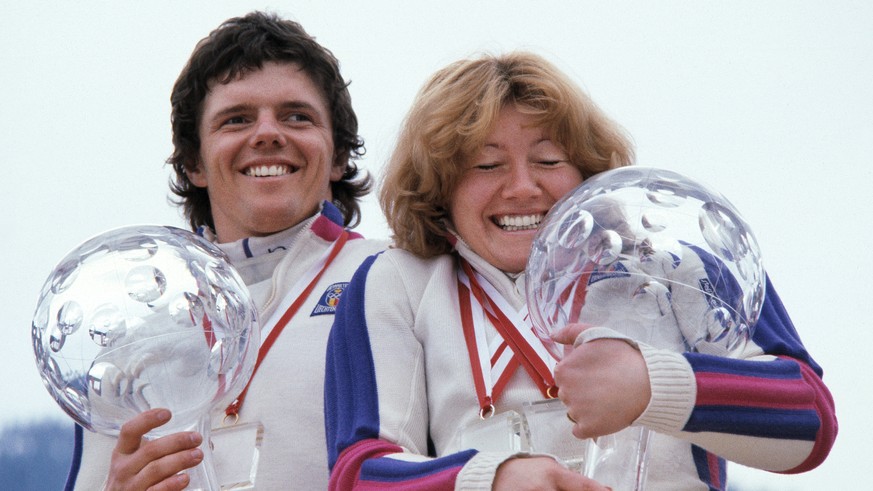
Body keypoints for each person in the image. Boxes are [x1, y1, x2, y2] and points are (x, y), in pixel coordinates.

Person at [323, 51, 837, 490]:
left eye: (549, 160)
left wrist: (655, 386)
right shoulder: (396, 281)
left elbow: (809, 421)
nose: (523, 187)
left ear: (589, 171)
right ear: (441, 189)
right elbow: (358, 472)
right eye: (486, 165)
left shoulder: (674, 255)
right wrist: (489, 479)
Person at [65, 11, 387, 491]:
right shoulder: (134, 334)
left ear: (338, 155)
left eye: (296, 116)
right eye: (236, 119)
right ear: (194, 162)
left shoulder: (395, 277)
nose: (267, 134)